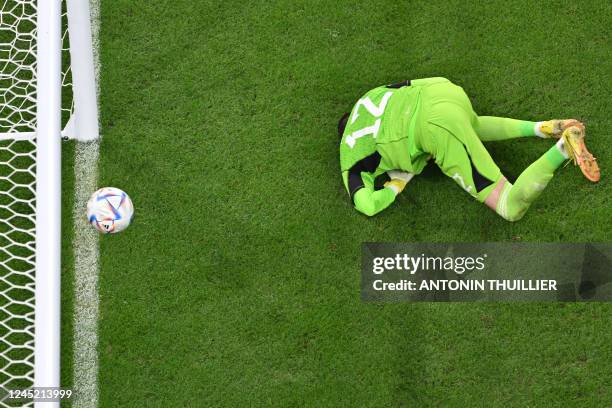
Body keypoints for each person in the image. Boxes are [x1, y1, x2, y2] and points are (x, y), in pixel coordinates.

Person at [338, 77, 599, 221]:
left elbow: (367, 205)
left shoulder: (350, 156)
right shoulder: (367, 96)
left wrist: (397, 183)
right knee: (469, 124)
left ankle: (564, 146)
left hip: (436, 128)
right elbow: (411, 84)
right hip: (444, 90)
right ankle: (543, 127)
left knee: (510, 207)